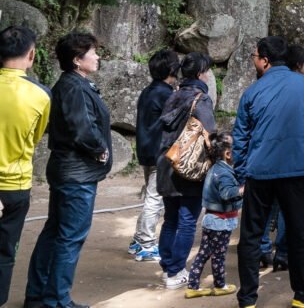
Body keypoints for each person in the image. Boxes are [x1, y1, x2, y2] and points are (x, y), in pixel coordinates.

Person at [233, 36, 304, 308]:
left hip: (260, 173)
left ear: (264, 60)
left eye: (254, 56)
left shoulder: (252, 92)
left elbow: (240, 137)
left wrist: (241, 173)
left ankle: (248, 298)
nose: (253, 60)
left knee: (251, 236)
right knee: (299, 233)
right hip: (298, 171)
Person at [24, 32, 112, 308]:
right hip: (77, 174)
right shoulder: (74, 87)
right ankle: (56, 299)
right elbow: (81, 128)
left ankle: (39, 295)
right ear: (77, 60)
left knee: (56, 231)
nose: (97, 57)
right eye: (92, 52)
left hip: (69, 171)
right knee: (69, 236)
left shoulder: (73, 83)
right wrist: (99, 149)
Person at [156, 51, 216, 290]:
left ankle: (167, 266)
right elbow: (209, 133)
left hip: (167, 163)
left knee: (170, 219)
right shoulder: (200, 99)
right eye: (208, 70)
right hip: (189, 167)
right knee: (188, 220)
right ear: (201, 73)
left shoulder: (173, 95)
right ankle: (176, 271)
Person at [0, 26, 50, 307]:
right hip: (14, 187)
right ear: (31, 54)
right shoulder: (41, 96)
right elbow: (35, 134)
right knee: (5, 253)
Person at [128, 48, 179, 263]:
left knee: (151, 196)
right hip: (160, 153)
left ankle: (139, 240)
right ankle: (147, 244)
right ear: (171, 69)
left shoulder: (148, 91)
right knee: (154, 199)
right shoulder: (166, 94)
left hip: (146, 150)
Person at [185, 132, 241, 299]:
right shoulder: (224, 173)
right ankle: (219, 285)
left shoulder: (215, 168)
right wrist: (245, 189)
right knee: (219, 255)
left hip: (211, 220)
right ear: (228, 154)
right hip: (220, 222)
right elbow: (227, 194)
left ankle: (193, 285)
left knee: (203, 253)